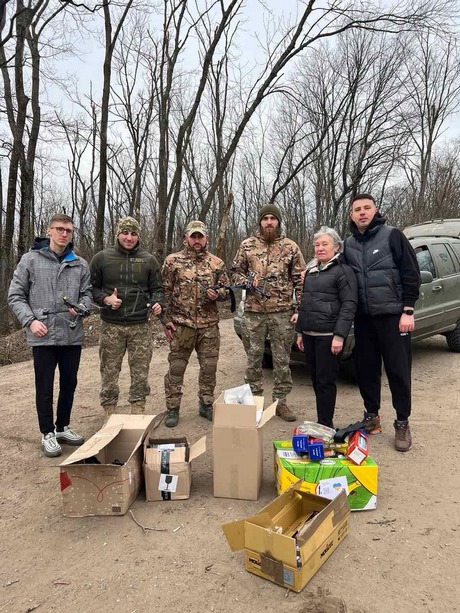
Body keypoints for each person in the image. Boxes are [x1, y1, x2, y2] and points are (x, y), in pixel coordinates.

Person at [8, 213, 92, 457]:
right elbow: (15, 295)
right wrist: (30, 321)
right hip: (42, 334)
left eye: (68, 230)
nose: (64, 233)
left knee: (69, 384)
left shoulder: (80, 264)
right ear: (49, 231)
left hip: (71, 332)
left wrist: (81, 308)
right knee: (44, 386)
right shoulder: (31, 260)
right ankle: (47, 432)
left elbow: (87, 294)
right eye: (59, 229)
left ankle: (63, 426)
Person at [343, 193, 421, 452]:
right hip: (363, 319)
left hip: (393, 317)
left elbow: (411, 273)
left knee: (398, 370)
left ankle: (402, 421)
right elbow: (341, 279)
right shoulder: (348, 245)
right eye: (357, 209)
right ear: (351, 215)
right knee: (366, 369)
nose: (362, 212)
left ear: (375, 210)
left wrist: (407, 310)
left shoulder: (392, 236)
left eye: (367, 208)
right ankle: (371, 415)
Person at [231, 204, 306, 421]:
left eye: (273, 218)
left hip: (282, 312)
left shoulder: (290, 247)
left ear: (279, 221)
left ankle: (280, 402)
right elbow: (234, 274)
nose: (269, 222)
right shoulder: (247, 246)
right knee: (253, 358)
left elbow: (300, 281)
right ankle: (254, 401)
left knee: (282, 359)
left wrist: (299, 309)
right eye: (266, 218)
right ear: (260, 222)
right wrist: (247, 282)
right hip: (254, 313)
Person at [90, 216, 163, 415]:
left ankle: (138, 411)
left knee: (140, 371)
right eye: (125, 233)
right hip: (111, 326)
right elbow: (91, 289)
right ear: (118, 234)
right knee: (109, 371)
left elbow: (158, 290)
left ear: (138, 235)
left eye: (133, 233)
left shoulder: (148, 260)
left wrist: (158, 304)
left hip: (140, 326)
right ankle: (109, 413)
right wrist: (106, 299)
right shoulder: (102, 258)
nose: (129, 238)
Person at [162, 220, 230, 428]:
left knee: (209, 368)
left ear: (206, 238)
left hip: (208, 326)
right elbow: (164, 292)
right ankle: (172, 408)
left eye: (201, 236)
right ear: (186, 238)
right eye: (194, 236)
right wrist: (166, 321)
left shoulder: (216, 263)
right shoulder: (172, 262)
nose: (197, 240)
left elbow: (227, 291)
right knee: (176, 368)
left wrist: (217, 294)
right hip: (182, 325)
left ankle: (206, 403)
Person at [295, 227, 357, 429]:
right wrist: (300, 331)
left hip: (328, 336)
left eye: (325, 244)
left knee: (326, 382)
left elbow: (349, 305)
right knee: (315, 380)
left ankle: (326, 424)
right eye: (317, 245)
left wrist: (340, 335)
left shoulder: (342, 271)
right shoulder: (311, 271)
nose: (320, 248)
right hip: (310, 335)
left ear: (336, 247)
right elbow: (305, 303)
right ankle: (322, 420)